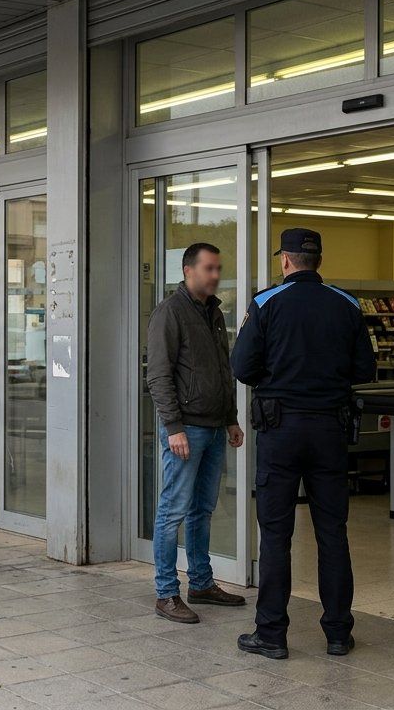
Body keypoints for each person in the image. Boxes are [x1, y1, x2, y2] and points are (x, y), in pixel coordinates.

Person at [231, 228, 375, 660]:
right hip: (330, 429)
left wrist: (276, 380)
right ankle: (337, 633)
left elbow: (241, 366)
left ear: (286, 261)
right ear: (317, 260)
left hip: (280, 429)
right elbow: (365, 369)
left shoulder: (266, 303)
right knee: (333, 532)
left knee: (276, 533)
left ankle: (271, 634)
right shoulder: (347, 304)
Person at [145, 242, 247, 624]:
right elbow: (158, 375)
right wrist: (173, 427)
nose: (216, 275)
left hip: (215, 426)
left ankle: (201, 583)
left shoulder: (213, 314)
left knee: (202, 510)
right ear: (189, 270)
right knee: (172, 511)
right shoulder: (169, 313)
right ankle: (166, 593)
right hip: (185, 428)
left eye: (218, 268)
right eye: (209, 268)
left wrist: (231, 418)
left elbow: (223, 370)